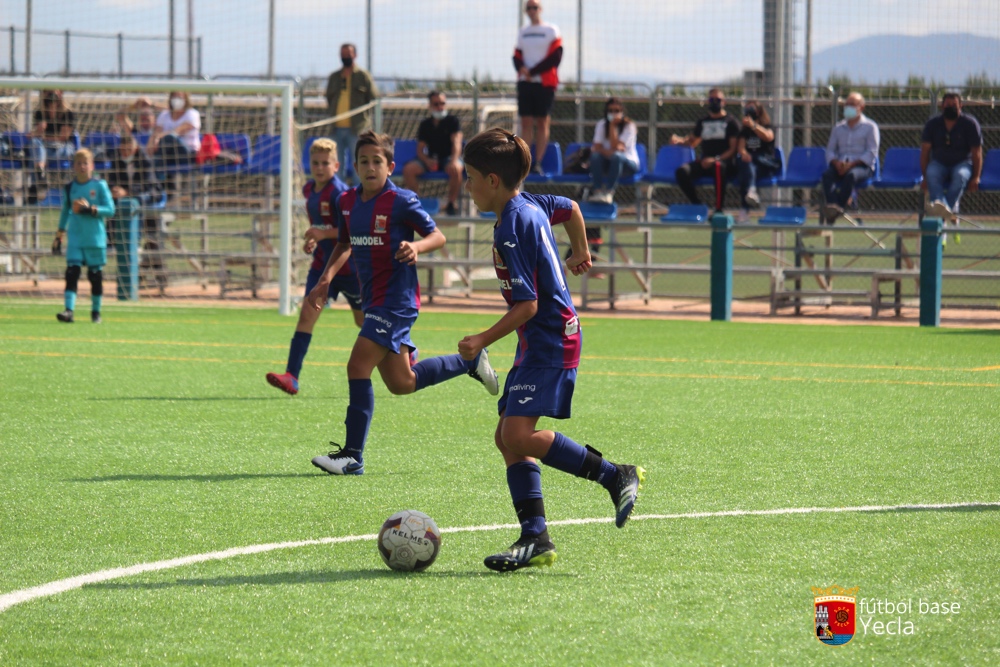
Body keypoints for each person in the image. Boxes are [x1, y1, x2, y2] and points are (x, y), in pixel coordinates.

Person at [459, 128, 646, 572]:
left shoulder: (511, 225)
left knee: (518, 435)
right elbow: (573, 208)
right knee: (507, 437)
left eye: (468, 178)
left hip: (550, 337)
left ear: (490, 180)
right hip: (542, 338)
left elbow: (528, 305)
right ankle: (535, 537)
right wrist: (579, 249)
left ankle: (615, 474)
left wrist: (480, 340)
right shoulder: (529, 203)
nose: (465, 187)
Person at [309, 131, 499, 476]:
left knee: (357, 366)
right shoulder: (348, 202)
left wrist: (416, 247)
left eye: (377, 161)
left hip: (396, 302)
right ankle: (468, 363)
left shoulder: (401, 201)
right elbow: (343, 244)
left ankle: (352, 456)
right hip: (374, 302)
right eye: (364, 161)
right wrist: (324, 280)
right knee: (402, 383)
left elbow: (437, 236)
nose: (370, 167)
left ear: (391, 166)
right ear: (354, 167)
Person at [266, 139, 362, 396]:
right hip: (321, 266)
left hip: (349, 269)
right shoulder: (309, 189)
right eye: (315, 163)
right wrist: (313, 240)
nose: (319, 168)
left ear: (336, 165)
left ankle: (405, 350)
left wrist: (322, 234)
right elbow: (320, 228)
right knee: (306, 316)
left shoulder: (341, 194)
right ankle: (291, 376)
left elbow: (351, 234)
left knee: (365, 322)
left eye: (325, 163)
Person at [51, 149, 115, 324]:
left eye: (85, 163)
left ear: (92, 166)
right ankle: (69, 311)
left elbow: (110, 209)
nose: (82, 166)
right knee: (72, 272)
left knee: (95, 275)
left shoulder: (100, 185)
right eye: (78, 163)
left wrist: (91, 209)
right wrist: (59, 235)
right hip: (76, 238)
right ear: (74, 166)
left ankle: (96, 313)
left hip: (95, 238)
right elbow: (65, 211)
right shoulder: (69, 187)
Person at [671, 88, 740, 212]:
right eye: (711, 99)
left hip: (724, 163)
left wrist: (715, 159)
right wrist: (678, 140)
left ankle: (719, 208)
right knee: (681, 172)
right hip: (705, 162)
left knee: (719, 167)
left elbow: (733, 150)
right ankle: (697, 205)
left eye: (717, 100)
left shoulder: (731, 122)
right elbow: (693, 142)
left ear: (723, 102)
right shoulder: (703, 122)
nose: (714, 102)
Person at [513, 1, 562, 175]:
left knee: (542, 122)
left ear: (540, 9)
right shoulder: (523, 32)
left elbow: (555, 57)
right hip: (526, 83)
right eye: (529, 8)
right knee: (526, 123)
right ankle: (526, 161)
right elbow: (517, 56)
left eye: (535, 7)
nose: (532, 11)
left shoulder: (551, 30)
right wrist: (522, 69)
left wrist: (533, 71)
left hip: (544, 83)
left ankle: (538, 162)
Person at [921, 92, 983, 221]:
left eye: (954, 104)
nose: (950, 107)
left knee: (960, 176)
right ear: (942, 106)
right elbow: (925, 152)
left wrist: (976, 177)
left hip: (962, 163)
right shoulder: (933, 124)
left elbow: (977, 153)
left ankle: (941, 214)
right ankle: (948, 213)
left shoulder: (970, 124)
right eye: (947, 104)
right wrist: (925, 177)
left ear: (961, 105)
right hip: (938, 163)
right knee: (932, 175)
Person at [821, 92, 879, 224]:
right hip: (840, 165)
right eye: (846, 104)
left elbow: (872, 152)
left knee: (851, 176)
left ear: (861, 107)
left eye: (852, 104)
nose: (848, 107)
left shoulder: (870, 127)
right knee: (827, 176)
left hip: (861, 167)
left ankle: (837, 210)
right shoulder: (838, 128)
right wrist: (836, 163)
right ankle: (832, 206)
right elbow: (830, 150)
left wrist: (851, 165)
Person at [402, 91, 464, 216]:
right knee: (408, 169)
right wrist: (426, 160)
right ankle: (416, 204)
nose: (440, 107)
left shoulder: (453, 121)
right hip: (431, 159)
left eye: (442, 103)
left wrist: (453, 161)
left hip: (448, 158)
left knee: (457, 168)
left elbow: (457, 143)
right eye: (436, 104)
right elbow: (420, 149)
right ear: (429, 105)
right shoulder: (425, 124)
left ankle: (451, 203)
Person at [325, 43, 378, 183]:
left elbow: (374, 98)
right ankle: (339, 199)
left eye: (348, 54)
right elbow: (329, 98)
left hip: (357, 129)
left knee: (359, 165)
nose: (345, 57)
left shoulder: (363, 76)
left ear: (355, 55)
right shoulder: (334, 77)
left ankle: (359, 200)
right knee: (336, 166)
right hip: (336, 128)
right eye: (343, 54)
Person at [587, 97, 639, 204]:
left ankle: (609, 193)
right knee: (595, 156)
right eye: (610, 111)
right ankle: (598, 192)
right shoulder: (601, 124)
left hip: (628, 164)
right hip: (608, 163)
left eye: (617, 111)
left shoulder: (629, 126)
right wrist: (610, 152)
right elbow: (596, 147)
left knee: (617, 157)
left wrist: (612, 126)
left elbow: (617, 148)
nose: (613, 113)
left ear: (622, 112)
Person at [735, 100, 780, 222]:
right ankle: (751, 192)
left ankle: (745, 210)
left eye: (752, 109)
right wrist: (744, 154)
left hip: (765, 163)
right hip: (750, 164)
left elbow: (768, 136)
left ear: (759, 111)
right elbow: (741, 147)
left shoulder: (768, 126)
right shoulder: (744, 131)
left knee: (749, 165)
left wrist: (754, 126)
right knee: (746, 164)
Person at [29, 90, 77, 203]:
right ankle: (40, 176)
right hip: (44, 149)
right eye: (48, 91)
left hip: (62, 149)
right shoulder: (39, 113)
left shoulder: (68, 113)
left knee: (36, 150)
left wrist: (43, 136)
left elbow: (63, 137)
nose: (52, 95)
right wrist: (38, 130)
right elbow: (34, 136)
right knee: (35, 145)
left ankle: (36, 186)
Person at [148, 91, 201, 176]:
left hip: (188, 155)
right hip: (167, 154)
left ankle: (157, 179)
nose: (176, 100)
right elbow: (156, 133)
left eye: (180, 97)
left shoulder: (192, 114)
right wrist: (152, 142)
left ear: (186, 99)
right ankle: (161, 182)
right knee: (157, 150)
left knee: (169, 138)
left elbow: (177, 131)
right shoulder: (164, 115)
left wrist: (158, 138)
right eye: (174, 97)